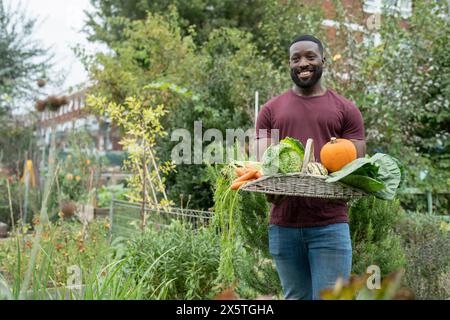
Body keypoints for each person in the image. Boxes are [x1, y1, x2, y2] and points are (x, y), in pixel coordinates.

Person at [255, 34, 366, 300]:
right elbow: (264, 162)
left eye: (310, 56)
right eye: (296, 59)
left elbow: (356, 164)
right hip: (284, 226)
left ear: (323, 60)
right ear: (289, 64)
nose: (303, 63)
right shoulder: (271, 110)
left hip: (330, 226)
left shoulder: (345, 109)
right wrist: (270, 183)